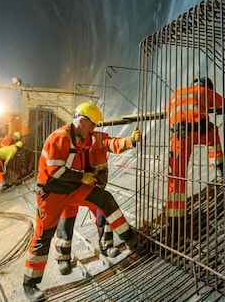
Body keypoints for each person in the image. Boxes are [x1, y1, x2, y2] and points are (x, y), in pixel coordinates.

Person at [23, 102, 140, 301]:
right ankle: (30, 283)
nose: (94, 129)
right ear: (83, 121)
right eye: (92, 125)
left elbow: (108, 142)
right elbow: (55, 171)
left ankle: (130, 237)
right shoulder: (59, 138)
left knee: (104, 199)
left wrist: (129, 141)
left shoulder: (84, 137)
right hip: (52, 193)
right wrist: (83, 177)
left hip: (73, 188)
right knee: (44, 236)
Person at [166, 77, 225, 218]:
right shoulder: (204, 91)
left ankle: (175, 216)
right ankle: (220, 167)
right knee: (212, 133)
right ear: (208, 87)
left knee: (177, 176)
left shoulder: (175, 94)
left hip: (178, 137)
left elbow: (170, 116)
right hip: (200, 131)